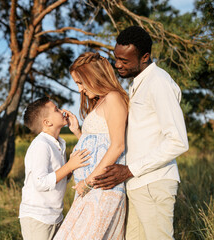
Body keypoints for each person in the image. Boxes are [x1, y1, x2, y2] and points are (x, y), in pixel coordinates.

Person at [91, 26, 189, 240]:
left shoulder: (159, 83)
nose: (117, 64)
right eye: (116, 58)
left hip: (154, 182)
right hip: (136, 182)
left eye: (125, 61)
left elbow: (178, 141)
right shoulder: (138, 84)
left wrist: (129, 170)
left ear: (145, 57)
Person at [54, 52, 129, 239]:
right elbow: (100, 142)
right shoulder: (101, 101)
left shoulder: (113, 98)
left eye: (80, 83)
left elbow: (117, 145)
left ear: (93, 77)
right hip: (91, 190)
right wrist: (78, 132)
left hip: (101, 188)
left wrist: (87, 182)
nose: (80, 89)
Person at [19, 97, 91, 240]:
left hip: (54, 215)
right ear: (47, 122)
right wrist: (69, 165)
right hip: (38, 217)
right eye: (56, 109)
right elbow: (41, 183)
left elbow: (60, 177)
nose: (62, 111)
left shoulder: (58, 143)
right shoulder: (41, 145)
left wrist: (70, 167)